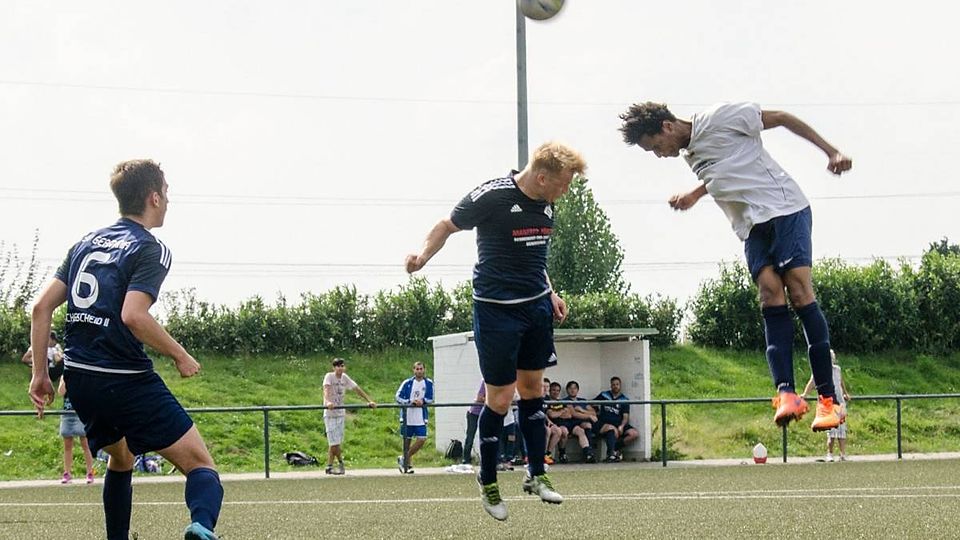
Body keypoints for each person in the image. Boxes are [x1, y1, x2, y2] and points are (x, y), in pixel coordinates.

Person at [619, 101, 853, 432]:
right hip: (751, 226)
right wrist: (695, 194)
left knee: (799, 292)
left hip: (784, 207)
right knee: (769, 294)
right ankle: (787, 394)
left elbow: (782, 118)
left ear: (667, 127)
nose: (659, 155)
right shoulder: (690, 155)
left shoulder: (721, 117)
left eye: (656, 147)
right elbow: (726, 170)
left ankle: (829, 401)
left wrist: (831, 152)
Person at [27, 159, 223, 540]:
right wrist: (180, 354)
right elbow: (133, 315)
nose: (168, 200)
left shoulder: (84, 243)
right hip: (125, 379)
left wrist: (39, 375)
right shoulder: (150, 248)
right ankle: (201, 526)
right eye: (166, 192)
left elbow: (40, 308)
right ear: (153, 197)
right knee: (202, 465)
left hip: (81, 379)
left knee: (121, 457)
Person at [405, 141, 587, 520]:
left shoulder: (548, 203)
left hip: (536, 307)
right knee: (500, 400)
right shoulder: (492, 196)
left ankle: (536, 473)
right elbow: (446, 225)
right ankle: (488, 480)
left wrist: (551, 292)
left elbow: (535, 256)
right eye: (563, 184)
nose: (566, 191)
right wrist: (422, 257)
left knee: (533, 390)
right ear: (542, 178)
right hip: (496, 312)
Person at [322, 357, 376, 475]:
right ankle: (340, 463)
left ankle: (330, 466)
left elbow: (357, 389)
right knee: (333, 441)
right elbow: (326, 389)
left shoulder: (345, 378)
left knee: (336, 441)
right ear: (334, 368)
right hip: (330, 414)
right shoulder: (329, 376)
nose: (340, 368)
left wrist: (369, 400)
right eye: (338, 366)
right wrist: (328, 402)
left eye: (342, 366)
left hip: (340, 413)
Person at [801, 350, 852, 461]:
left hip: (840, 402)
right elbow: (812, 382)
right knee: (831, 431)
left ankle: (843, 454)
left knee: (842, 430)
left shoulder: (837, 369)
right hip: (829, 403)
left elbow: (841, 382)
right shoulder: (819, 370)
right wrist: (805, 394)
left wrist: (845, 393)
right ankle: (830, 454)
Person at [395, 361, 435, 474]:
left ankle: (404, 458)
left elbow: (431, 398)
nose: (419, 371)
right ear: (413, 370)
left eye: (421, 369)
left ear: (424, 370)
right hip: (407, 415)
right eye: (417, 369)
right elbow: (398, 397)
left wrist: (423, 401)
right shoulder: (407, 382)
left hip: (420, 416)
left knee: (422, 439)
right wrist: (409, 402)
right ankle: (406, 465)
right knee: (406, 440)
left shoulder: (428, 383)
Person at [58, 377, 95, 484]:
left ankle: (90, 472)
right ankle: (67, 473)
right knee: (67, 445)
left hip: (81, 413)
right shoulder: (64, 377)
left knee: (85, 444)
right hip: (67, 413)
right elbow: (61, 392)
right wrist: (65, 379)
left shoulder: (82, 376)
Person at [594, 377, 639, 462]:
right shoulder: (604, 395)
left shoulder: (624, 399)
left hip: (618, 423)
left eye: (617, 384)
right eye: (613, 384)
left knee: (634, 434)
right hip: (605, 423)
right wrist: (594, 413)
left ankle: (614, 448)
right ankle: (611, 454)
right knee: (611, 430)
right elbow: (592, 404)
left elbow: (625, 417)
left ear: (620, 385)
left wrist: (622, 426)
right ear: (611, 385)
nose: (615, 386)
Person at [563, 380, 597, 463]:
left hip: (583, 423)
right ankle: (588, 453)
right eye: (570, 388)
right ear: (567, 390)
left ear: (578, 390)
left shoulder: (582, 400)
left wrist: (582, 410)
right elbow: (574, 414)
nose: (572, 390)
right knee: (582, 428)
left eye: (575, 388)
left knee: (588, 425)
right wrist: (589, 416)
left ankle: (589, 453)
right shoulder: (566, 400)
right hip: (572, 423)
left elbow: (593, 412)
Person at [462, 380, 486, 466]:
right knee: (470, 436)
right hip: (474, 413)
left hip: (485, 413)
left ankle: (485, 459)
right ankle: (466, 459)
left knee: (485, 436)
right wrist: (491, 399)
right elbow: (479, 397)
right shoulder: (485, 382)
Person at [544, 380, 568, 464]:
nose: (555, 392)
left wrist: (557, 413)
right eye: (553, 390)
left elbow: (568, 415)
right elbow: (551, 414)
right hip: (546, 423)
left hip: (557, 423)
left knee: (563, 431)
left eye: (558, 390)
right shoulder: (545, 399)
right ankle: (544, 455)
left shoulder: (560, 401)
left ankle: (550, 454)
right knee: (551, 430)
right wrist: (561, 412)